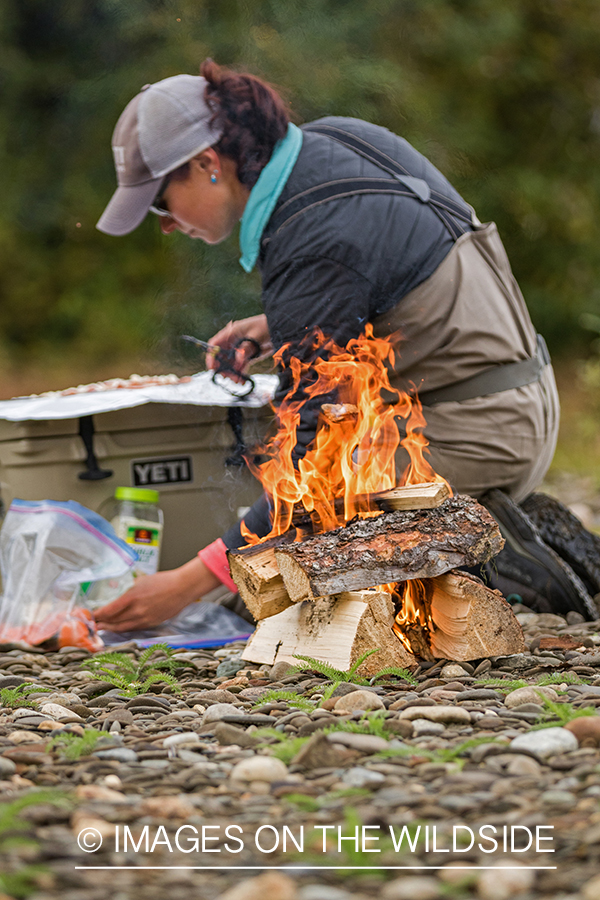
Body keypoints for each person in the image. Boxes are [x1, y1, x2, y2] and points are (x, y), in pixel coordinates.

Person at [94, 60, 598, 632]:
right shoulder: (334, 143)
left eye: (161, 203)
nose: (164, 224)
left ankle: (500, 558)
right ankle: (493, 517)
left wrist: (189, 583)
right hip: (515, 395)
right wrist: (275, 325)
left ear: (207, 164)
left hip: (477, 430)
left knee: (270, 588)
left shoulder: (312, 233)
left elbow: (313, 463)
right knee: (274, 546)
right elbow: (388, 280)